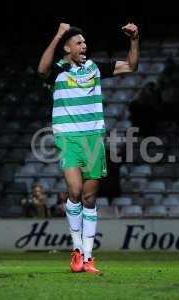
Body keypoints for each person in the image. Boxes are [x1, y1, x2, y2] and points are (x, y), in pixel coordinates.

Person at [38, 22, 139, 273]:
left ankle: (89, 257)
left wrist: (135, 39)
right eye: (79, 43)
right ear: (67, 48)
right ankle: (77, 250)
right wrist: (59, 33)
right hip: (69, 138)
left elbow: (131, 65)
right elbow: (41, 69)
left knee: (90, 197)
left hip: (93, 139)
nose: (85, 46)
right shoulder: (58, 70)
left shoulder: (94, 68)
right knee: (74, 191)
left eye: (85, 42)